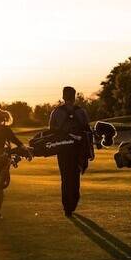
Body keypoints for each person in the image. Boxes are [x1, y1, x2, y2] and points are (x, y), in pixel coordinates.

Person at [49, 86, 91, 217]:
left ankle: (67, 207)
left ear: (63, 96)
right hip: (78, 149)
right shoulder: (81, 112)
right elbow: (87, 130)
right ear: (74, 97)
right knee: (75, 175)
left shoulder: (56, 112)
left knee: (65, 177)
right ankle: (74, 202)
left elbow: (51, 130)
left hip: (62, 148)